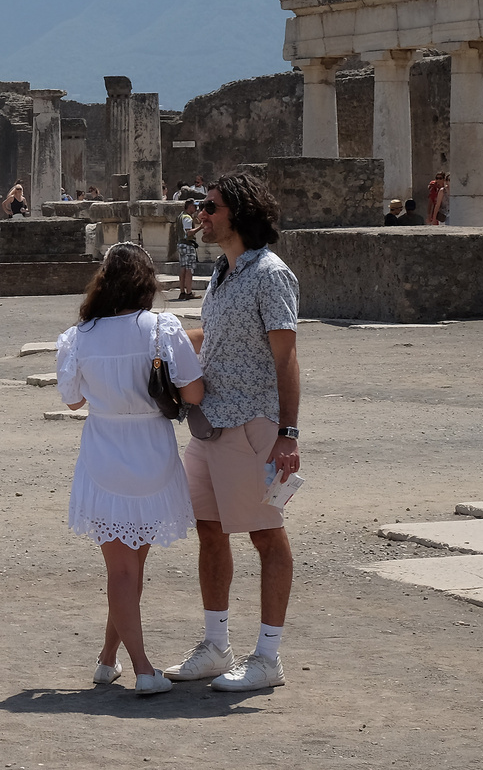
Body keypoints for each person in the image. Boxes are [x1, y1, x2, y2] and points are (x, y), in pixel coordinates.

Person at [168, 173, 301, 692]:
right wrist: (158, 330)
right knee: (209, 529)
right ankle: (216, 646)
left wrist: (288, 432)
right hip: (209, 425)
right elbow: (218, 337)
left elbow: (286, 356)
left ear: (237, 213)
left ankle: (267, 656)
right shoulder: (223, 272)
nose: (201, 214)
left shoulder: (270, 275)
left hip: (250, 424)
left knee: (267, 534)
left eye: (210, 206)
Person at [57, 243, 203, 696]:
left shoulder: (79, 336)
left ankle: (112, 660)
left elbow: (72, 399)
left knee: (121, 569)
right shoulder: (163, 328)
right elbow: (194, 394)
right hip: (152, 450)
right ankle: (135, 666)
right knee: (131, 567)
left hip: (104, 451)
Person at [175, 199, 199, 301]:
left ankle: (182, 292)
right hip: (188, 245)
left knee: (183, 268)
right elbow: (188, 233)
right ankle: (189, 292)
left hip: (181, 244)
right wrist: (200, 227)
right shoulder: (187, 218)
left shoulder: (181, 216)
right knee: (189, 269)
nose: (196, 209)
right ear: (190, 207)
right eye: (194, 207)